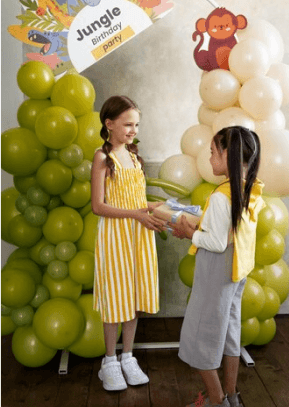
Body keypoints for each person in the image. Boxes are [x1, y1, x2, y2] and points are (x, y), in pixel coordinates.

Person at [168, 126, 265, 407]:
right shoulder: (247, 188)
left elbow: (215, 242)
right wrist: (198, 223)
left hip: (216, 271)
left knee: (200, 337)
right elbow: (228, 231)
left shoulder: (223, 196)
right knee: (228, 333)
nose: (209, 159)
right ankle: (231, 396)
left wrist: (188, 232)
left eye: (212, 152)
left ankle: (216, 400)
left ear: (228, 154)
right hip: (236, 270)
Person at [91, 95, 164, 392]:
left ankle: (128, 356)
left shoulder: (134, 157)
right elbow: (98, 206)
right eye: (128, 124)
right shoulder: (102, 157)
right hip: (115, 237)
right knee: (115, 298)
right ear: (109, 124)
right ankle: (109, 362)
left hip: (138, 234)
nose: (134, 130)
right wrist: (136, 213)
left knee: (133, 297)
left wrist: (153, 206)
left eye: (136, 124)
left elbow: (134, 200)